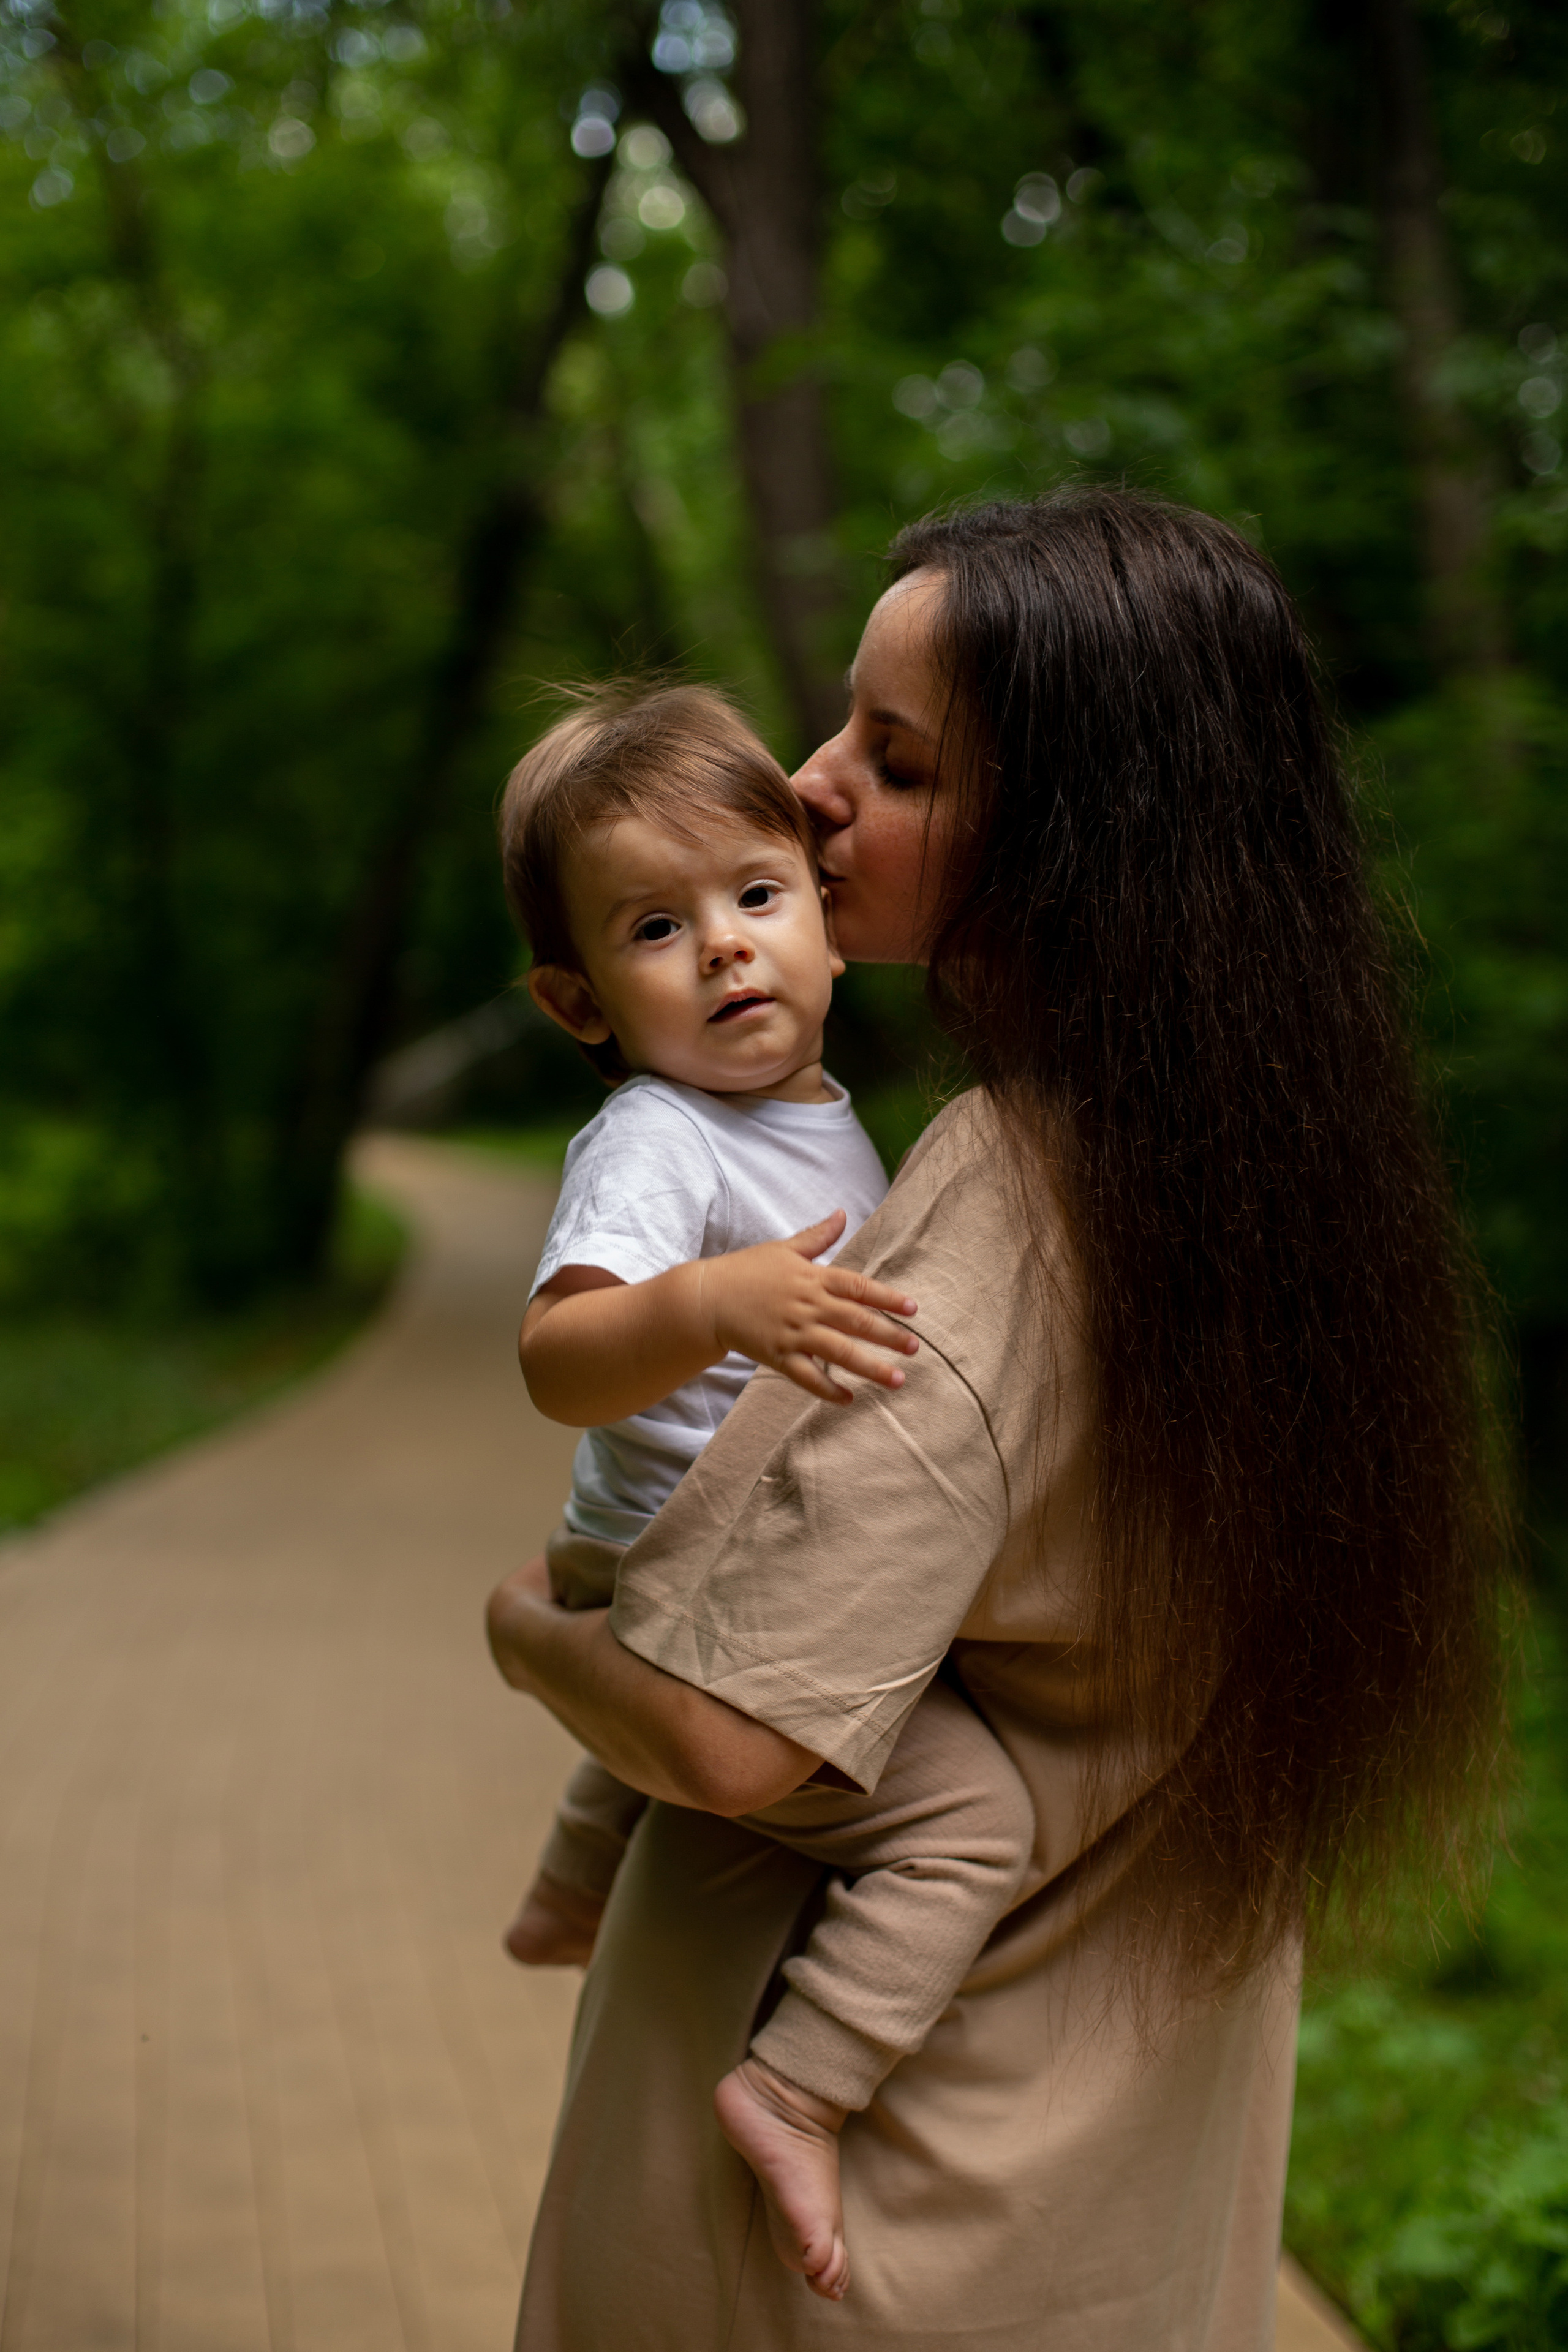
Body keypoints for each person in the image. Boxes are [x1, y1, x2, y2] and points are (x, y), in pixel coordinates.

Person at [488, 489, 1510, 2350]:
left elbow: (729, 1739)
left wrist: (527, 1639)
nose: (808, 789)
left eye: (896, 761)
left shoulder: (1001, 1212)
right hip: (1126, 2172)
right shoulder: (1272, 1186)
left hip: (880, 2212)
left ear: (1074, 845)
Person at [496, 683, 1036, 2301]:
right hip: (675, 1569)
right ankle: (800, 2085)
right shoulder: (659, 1139)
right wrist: (714, 1308)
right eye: (657, 929)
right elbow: (558, 1359)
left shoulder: (817, 1121)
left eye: (755, 895)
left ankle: (568, 1888)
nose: (727, 948)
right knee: (972, 1820)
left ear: (823, 918)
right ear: (580, 1002)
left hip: (672, 1555)